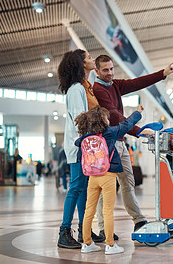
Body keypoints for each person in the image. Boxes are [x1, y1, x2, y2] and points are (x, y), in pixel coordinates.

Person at [93, 54, 173, 237]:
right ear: (97, 71)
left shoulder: (114, 85)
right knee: (105, 187)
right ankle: (102, 228)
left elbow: (136, 83)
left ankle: (139, 220)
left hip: (121, 143)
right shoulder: (98, 89)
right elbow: (114, 116)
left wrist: (162, 73)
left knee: (128, 182)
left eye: (111, 69)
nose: (110, 73)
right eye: (105, 70)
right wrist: (138, 130)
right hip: (107, 145)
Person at [74, 104, 143, 254]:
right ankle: (110, 245)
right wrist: (137, 113)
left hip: (92, 177)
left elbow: (79, 149)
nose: (108, 119)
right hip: (108, 175)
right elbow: (127, 124)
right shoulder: (110, 133)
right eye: (106, 117)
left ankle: (86, 244)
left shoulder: (85, 138)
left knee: (89, 210)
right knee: (107, 211)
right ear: (102, 120)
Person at [56, 49, 103, 249]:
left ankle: (85, 231)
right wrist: (86, 145)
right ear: (81, 64)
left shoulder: (82, 87)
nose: (92, 60)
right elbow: (79, 120)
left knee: (83, 189)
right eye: (89, 58)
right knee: (76, 187)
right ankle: (64, 232)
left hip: (82, 145)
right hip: (78, 147)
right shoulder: (76, 89)